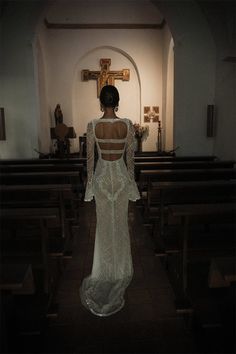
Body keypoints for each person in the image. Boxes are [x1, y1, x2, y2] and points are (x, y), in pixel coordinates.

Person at [79, 85, 140, 317]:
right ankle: (121, 270)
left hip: (103, 181)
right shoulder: (127, 125)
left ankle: (104, 271)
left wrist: (90, 186)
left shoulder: (93, 125)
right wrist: (131, 183)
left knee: (104, 229)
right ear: (117, 101)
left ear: (100, 102)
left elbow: (90, 160)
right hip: (122, 180)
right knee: (121, 225)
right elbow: (131, 158)